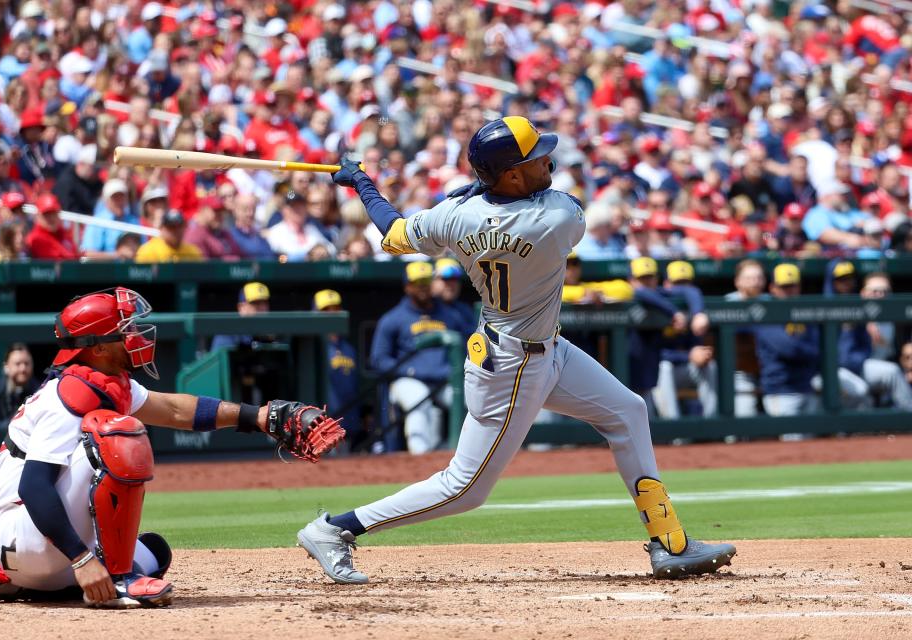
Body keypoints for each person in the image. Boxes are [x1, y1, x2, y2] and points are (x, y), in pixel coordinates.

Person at [298, 116, 735, 584]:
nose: (548, 160)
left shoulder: (455, 216)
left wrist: (362, 181)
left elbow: (394, 231)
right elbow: (559, 203)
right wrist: (477, 187)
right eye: (534, 158)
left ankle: (669, 541)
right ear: (509, 174)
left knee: (627, 410)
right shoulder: (556, 217)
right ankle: (336, 529)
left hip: (545, 346)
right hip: (512, 365)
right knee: (464, 489)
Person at [0, 287, 341, 607]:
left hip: (39, 553)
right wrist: (84, 559)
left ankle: (21, 584)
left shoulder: (103, 381)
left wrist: (257, 417)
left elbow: (173, 408)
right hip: (27, 533)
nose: (137, 335)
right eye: (125, 330)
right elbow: (33, 488)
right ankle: (115, 579)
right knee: (119, 434)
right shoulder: (66, 396)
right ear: (98, 347)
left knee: (156, 552)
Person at [370, 261, 466, 455]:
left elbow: (466, 348)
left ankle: (465, 456)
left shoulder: (450, 315)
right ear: (407, 286)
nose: (422, 287)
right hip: (409, 380)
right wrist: (410, 370)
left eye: (426, 281)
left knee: (469, 401)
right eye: (417, 282)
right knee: (419, 399)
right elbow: (379, 360)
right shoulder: (393, 318)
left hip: (444, 381)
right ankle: (420, 457)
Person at [824, 261, 912, 411]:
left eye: (885, 291)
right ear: (863, 292)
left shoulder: (896, 317)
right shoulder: (843, 311)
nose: (880, 295)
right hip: (849, 369)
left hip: (873, 368)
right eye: (875, 291)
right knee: (885, 375)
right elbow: (844, 357)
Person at [754, 264, 821, 416]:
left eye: (793, 286)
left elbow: (818, 349)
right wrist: (807, 350)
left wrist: (806, 350)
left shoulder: (806, 313)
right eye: (784, 287)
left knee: (810, 439)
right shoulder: (767, 313)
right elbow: (790, 350)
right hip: (781, 391)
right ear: (773, 288)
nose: (789, 291)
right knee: (793, 439)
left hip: (807, 387)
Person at [653, 261, 717, 419]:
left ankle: (711, 422)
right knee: (664, 367)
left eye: (686, 283)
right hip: (657, 374)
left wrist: (698, 314)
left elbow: (692, 293)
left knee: (710, 366)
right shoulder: (657, 300)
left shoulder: (694, 304)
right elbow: (653, 353)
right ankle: (673, 426)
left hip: (684, 371)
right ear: (666, 284)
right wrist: (688, 356)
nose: (682, 289)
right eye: (677, 284)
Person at [314, 289, 362, 450]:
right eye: (326, 310)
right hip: (320, 425)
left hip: (347, 422)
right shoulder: (313, 346)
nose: (332, 314)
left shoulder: (348, 347)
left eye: (335, 309)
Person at [725, 260, 770, 417]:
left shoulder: (771, 302)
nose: (755, 282)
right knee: (745, 415)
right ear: (737, 281)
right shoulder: (727, 303)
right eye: (749, 278)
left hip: (771, 370)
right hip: (740, 371)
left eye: (759, 278)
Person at [0, 344, 40, 430]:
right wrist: (15, 421)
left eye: (27, 363)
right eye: (18, 364)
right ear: (6, 366)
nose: (23, 369)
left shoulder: (40, 392)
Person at [264, 190, 335, 261]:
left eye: (301, 206)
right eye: (293, 206)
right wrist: (308, 255)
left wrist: (324, 250)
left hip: (312, 270)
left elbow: (331, 248)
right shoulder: (276, 231)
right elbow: (277, 256)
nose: (298, 210)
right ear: (284, 210)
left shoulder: (311, 229)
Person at [81, 179, 139, 255]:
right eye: (115, 198)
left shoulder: (134, 221)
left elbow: (143, 249)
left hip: (132, 266)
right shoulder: (97, 222)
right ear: (106, 200)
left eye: (122, 197)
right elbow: (89, 254)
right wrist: (118, 255)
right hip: (105, 267)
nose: (119, 201)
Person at [211, 282, 273, 351]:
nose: (262, 308)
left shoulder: (274, 332)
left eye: (265, 303)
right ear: (241, 308)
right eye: (256, 303)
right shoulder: (228, 333)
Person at [134, 210, 203, 263]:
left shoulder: (193, 252)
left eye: (178, 226)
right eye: (171, 227)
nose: (175, 231)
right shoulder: (149, 251)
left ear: (184, 227)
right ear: (161, 228)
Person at [431, 257, 476, 337]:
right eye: (445, 278)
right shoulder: (423, 307)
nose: (451, 284)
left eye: (455, 279)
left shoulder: (464, 310)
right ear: (433, 281)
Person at [25, 193, 78, 261]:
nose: (51, 218)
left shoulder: (64, 234)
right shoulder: (35, 239)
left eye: (53, 213)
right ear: (38, 216)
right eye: (46, 214)